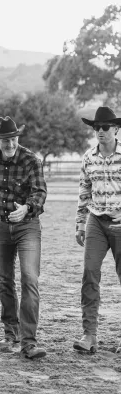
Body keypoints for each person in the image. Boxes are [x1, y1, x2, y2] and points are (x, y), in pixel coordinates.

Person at [0, 116, 47, 359]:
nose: (9, 143)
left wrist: (27, 208)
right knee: (4, 280)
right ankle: (11, 333)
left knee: (29, 278)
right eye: (4, 139)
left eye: (12, 138)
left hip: (27, 226)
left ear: (17, 138)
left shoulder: (31, 160)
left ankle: (29, 342)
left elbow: (40, 192)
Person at [73, 107, 121, 353]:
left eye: (105, 127)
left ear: (116, 129)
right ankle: (89, 335)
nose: (100, 132)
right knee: (90, 275)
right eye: (96, 128)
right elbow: (84, 190)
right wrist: (80, 222)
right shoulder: (88, 157)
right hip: (96, 221)